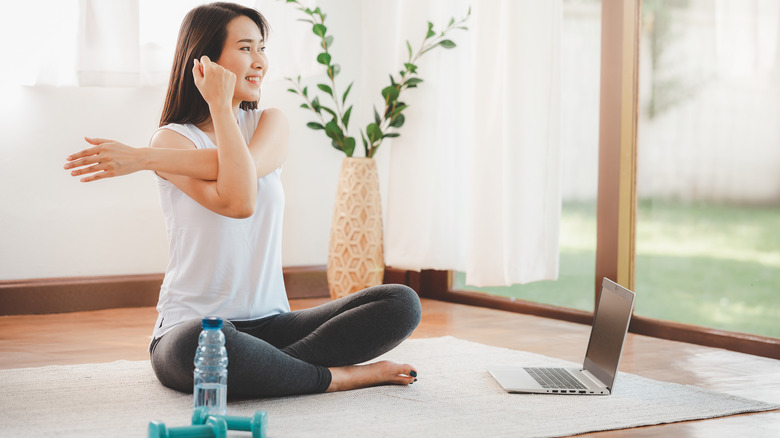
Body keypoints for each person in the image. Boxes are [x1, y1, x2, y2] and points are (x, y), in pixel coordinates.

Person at [63, 2, 421, 397]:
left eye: (262, 48)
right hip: (193, 328)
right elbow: (239, 201)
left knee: (400, 302)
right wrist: (213, 107)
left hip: (273, 327)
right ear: (204, 62)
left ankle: (275, 369)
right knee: (203, 343)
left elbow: (241, 175)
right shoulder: (173, 139)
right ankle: (338, 377)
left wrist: (144, 159)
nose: (260, 62)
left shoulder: (270, 123)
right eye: (246, 48)